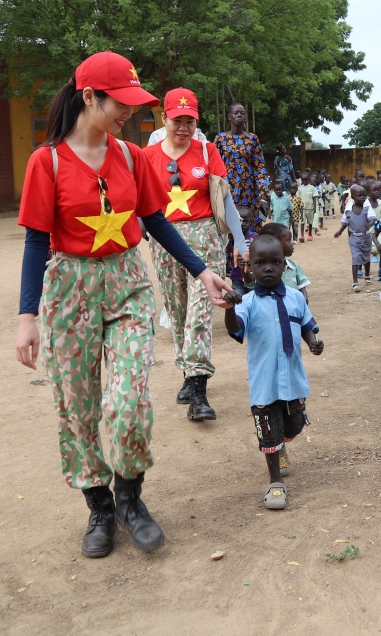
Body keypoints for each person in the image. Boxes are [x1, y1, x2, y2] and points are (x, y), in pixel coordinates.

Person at [14, 51, 233, 558]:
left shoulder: (132, 157)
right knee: (78, 406)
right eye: (122, 102)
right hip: (69, 289)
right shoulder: (46, 161)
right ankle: (100, 507)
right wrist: (27, 317)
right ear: (89, 97)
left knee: (129, 400)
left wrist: (202, 271)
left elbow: (155, 220)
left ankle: (131, 500)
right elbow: (35, 241)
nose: (130, 112)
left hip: (128, 283)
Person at [144, 88, 248, 421]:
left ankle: (199, 389)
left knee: (201, 310)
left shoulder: (207, 151)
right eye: (177, 120)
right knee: (177, 311)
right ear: (164, 119)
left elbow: (225, 199)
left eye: (189, 121)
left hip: (205, 239)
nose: (183, 127)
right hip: (165, 241)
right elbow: (139, 204)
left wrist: (240, 240)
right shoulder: (147, 157)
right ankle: (188, 374)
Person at [223, 235, 323, 510]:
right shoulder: (247, 302)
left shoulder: (296, 297)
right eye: (260, 263)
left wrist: (313, 343)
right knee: (268, 433)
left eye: (275, 262)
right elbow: (235, 330)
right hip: (264, 383)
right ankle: (275, 481)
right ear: (250, 267)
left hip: (293, 379)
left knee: (295, 425)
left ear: (284, 264)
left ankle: (281, 444)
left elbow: (306, 325)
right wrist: (229, 308)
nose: (268, 268)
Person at [214, 103, 270, 224]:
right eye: (236, 113)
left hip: (249, 191)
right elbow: (214, 166)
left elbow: (260, 167)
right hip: (227, 190)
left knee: (251, 225)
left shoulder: (252, 138)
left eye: (242, 113)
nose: (239, 115)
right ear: (229, 117)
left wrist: (263, 195)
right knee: (228, 226)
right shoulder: (221, 138)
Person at [333, 183, 376, 291]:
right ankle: (355, 282)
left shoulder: (367, 208)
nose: (362, 197)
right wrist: (340, 231)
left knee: (366, 257)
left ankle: (367, 275)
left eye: (364, 195)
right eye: (359, 195)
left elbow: (372, 219)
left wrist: (368, 224)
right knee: (356, 257)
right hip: (354, 238)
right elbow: (345, 222)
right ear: (352, 197)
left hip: (366, 237)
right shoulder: (348, 209)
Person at [259, 222, 311, 302]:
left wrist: (303, 301)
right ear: (276, 243)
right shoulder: (264, 269)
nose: (292, 244)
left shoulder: (293, 266)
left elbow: (302, 289)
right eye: (288, 240)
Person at [298, 172, 318, 241]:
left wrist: (315, 207)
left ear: (309, 179)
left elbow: (314, 198)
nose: (304, 182)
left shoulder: (312, 188)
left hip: (310, 208)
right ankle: (302, 235)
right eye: (303, 180)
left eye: (306, 180)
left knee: (310, 222)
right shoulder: (299, 188)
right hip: (302, 209)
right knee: (302, 222)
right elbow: (298, 198)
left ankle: (310, 235)